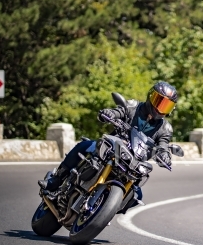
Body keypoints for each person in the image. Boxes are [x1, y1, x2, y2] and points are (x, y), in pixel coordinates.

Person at [38, 82, 178, 208]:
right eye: (159, 101)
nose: (160, 108)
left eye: (166, 105)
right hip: (113, 148)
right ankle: (55, 180)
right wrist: (110, 113)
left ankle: (105, 207)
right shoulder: (133, 106)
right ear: (151, 96)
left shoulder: (165, 129)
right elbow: (119, 111)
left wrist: (164, 155)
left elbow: (163, 144)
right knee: (85, 145)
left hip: (134, 162)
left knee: (137, 195)